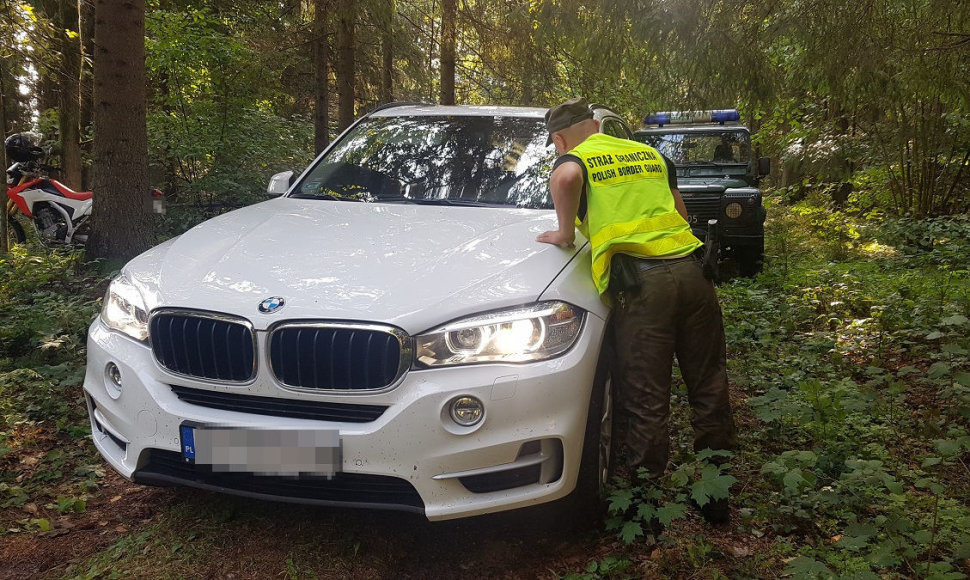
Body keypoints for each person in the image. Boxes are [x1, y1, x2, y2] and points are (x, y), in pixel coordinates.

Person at [536, 97, 737, 524]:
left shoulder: (575, 158)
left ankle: (646, 505)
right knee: (709, 384)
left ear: (559, 138)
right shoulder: (649, 154)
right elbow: (679, 214)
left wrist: (565, 231)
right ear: (594, 124)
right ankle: (718, 493)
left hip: (645, 286)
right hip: (693, 273)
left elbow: (568, 176)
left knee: (646, 396)